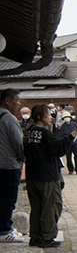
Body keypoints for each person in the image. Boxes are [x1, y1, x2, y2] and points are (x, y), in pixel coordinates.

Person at [24, 104, 77, 247]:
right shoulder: (44, 133)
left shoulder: (28, 132)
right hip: (47, 175)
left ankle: (35, 236)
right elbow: (58, 149)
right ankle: (47, 237)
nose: (51, 117)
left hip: (32, 175)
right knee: (51, 206)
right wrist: (74, 132)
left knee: (36, 207)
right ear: (39, 116)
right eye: (48, 114)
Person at [0, 89, 25, 243]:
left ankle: (5, 226)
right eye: (16, 100)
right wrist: (25, 159)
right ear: (7, 101)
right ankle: (5, 230)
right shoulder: (8, 118)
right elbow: (18, 142)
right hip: (9, 165)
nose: (19, 104)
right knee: (7, 199)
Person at [58, 111, 77, 175]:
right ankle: (70, 169)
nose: (67, 118)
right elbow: (61, 135)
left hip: (75, 142)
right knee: (68, 156)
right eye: (65, 117)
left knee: (76, 156)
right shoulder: (63, 126)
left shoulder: (74, 124)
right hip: (67, 143)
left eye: (68, 117)